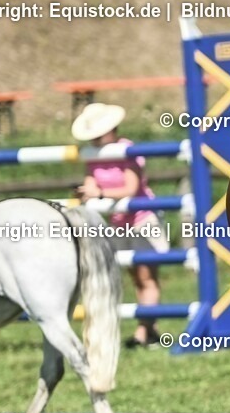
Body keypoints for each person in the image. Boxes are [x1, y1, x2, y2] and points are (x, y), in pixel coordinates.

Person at [72, 103, 169, 349]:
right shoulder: (92, 155)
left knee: (146, 276)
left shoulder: (127, 150)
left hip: (142, 218)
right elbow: (90, 186)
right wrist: (86, 193)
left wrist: (100, 192)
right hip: (117, 221)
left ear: (112, 129)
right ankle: (150, 330)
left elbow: (131, 188)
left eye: (99, 133)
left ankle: (141, 332)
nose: (95, 138)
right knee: (135, 278)